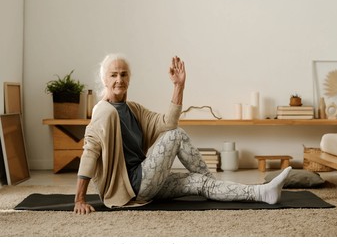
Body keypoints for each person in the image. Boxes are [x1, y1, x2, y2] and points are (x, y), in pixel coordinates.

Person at [73, 54, 292, 214]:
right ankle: (216, 186)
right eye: (113, 75)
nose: (119, 79)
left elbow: (167, 122)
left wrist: (179, 86)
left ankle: (263, 193)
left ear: (129, 78)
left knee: (199, 182)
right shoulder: (103, 111)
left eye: (123, 74)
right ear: (105, 80)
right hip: (132, 185)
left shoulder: (133, 109)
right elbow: (90, 152)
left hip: (146, 182)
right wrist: (79, 199)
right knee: (175, 134)